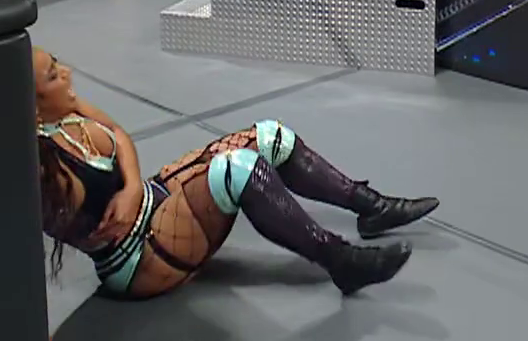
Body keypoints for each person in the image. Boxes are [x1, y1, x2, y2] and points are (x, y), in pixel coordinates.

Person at [32, 46, 436, 309]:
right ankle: (341, 261)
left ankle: (371, 207)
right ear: (30, 105)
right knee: (238, 170)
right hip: (140, 257)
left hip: (153, 197)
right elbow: (7, 262)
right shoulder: (36, 169)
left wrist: (133, 185)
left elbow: (118, 133)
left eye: (57, 64)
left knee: (270, 137)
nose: (66, 73)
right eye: (53, 75)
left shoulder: (65, 110)